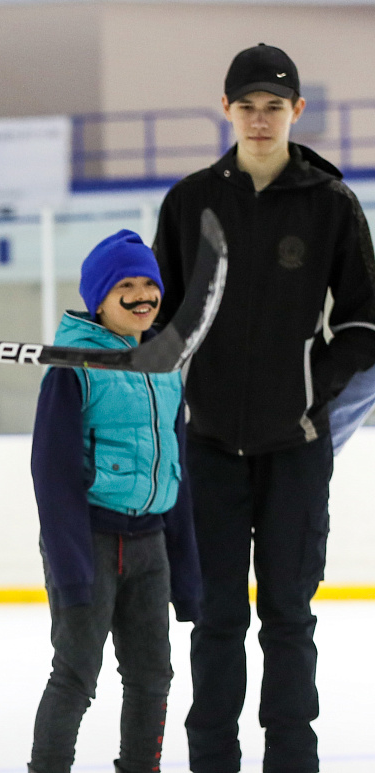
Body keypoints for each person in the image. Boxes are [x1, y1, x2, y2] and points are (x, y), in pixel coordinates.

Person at [152, 44, 375, 773]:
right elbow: (161, 321)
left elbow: (365, 323)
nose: (259, 118)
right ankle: (212, 760)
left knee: (288, 615)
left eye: (273, 106)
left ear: (296, 112)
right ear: (226, 109)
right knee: (217, 616)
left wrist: (311, 392)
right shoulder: (190, 203)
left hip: (297, 445)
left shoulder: (330, 203)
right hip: (210, 444)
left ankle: (291, 762)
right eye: (246, 105)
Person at [28, 230, 201, 773]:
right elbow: (51, 474)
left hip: (150, 545)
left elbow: (176, 468)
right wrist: (72, 565)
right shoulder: (72, 366)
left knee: (153, 675)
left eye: (149, 283)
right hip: (91, 543)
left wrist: (187, 569)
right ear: (99, 298)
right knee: (77, 672)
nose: (142, 294)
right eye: (125, 284)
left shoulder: (165, 365)